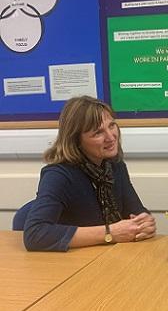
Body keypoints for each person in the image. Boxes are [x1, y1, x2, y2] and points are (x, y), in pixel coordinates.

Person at [24, 96, 156, 252]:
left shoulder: (114, 165)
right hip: (72, 263)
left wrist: (145, 224)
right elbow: (35, 234)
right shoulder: (59, 175)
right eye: (98, 132)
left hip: (109, 256)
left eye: (112, 125)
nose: (111, 137)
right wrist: (109, 232)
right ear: (76, 140)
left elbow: (135, 212)